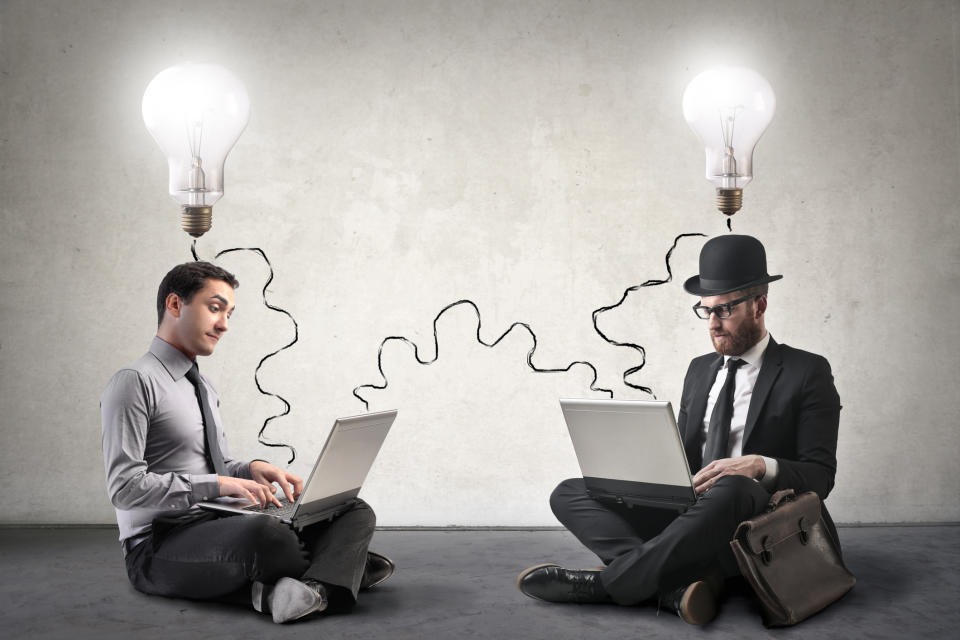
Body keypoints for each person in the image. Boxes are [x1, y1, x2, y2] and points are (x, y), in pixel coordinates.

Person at [516, 234, 842, 625]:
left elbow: (821, 477)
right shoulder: (699, 369)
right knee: (569, 491)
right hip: (693, 517)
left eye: (725, 310)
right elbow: (685, 457)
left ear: (759, 305)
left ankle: (607, 585)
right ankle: (674, 586)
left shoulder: (807, 371)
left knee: (734, 486)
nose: (713, 324)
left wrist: (759, 465)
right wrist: (638, 472)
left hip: (755, 521)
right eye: (705, 311)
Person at [101, 261, 394, 624]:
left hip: (220, 522)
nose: (224, 324)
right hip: (158, 545)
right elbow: (124, 489)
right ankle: (342, 569)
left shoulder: (201, 386)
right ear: (175, 305)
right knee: (268, 536)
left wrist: (251, 468)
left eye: (229, 313)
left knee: (352, 507)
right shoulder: (133, 382)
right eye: (215, 307)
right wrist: (218, 484)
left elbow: (216, 464)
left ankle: (317, 589)